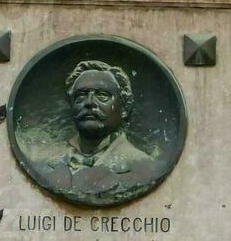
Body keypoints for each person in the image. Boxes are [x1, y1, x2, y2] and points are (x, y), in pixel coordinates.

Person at [34, 61, 163, 204]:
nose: (89, 102)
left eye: (102, 95)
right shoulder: (44, 162)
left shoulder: (143, 166)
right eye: (81, 96)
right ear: (72, 105)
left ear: (125, 107)